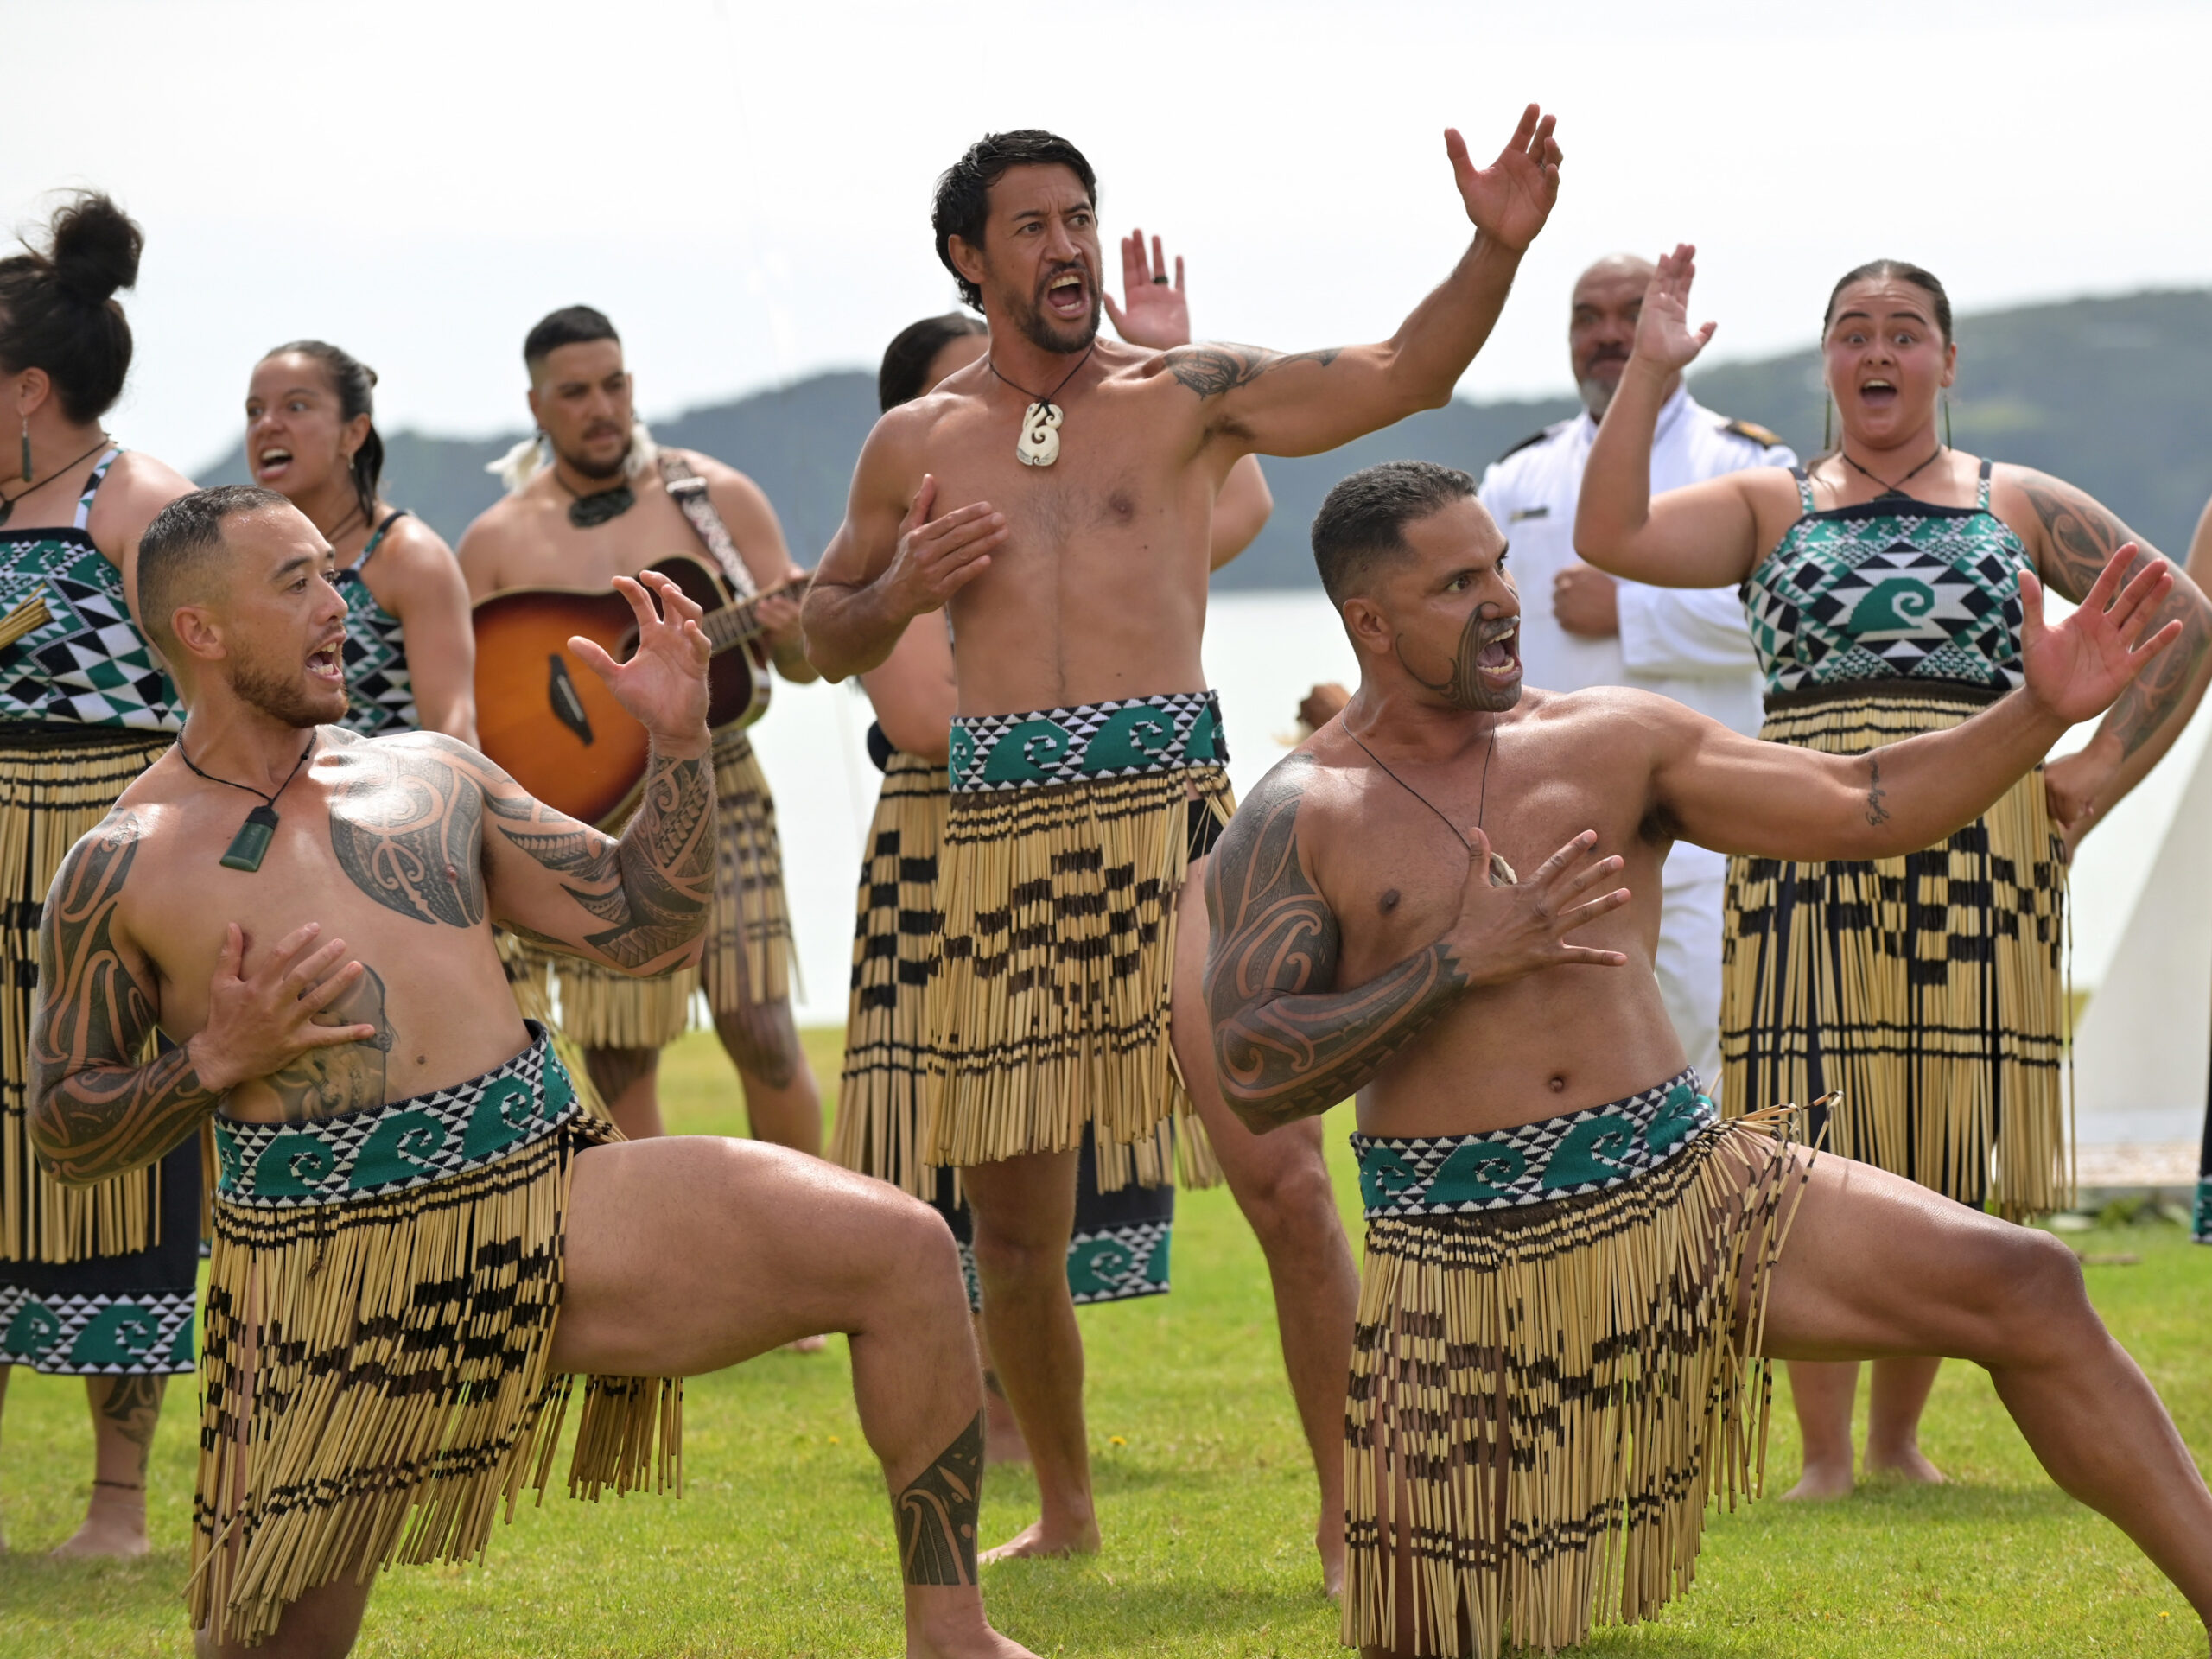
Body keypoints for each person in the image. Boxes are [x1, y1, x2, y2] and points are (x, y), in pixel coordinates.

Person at [1203, 457, 2212, 1656]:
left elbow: (1862, 800)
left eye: (1500, 566)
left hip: (1684, 1191)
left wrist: (2038, 713)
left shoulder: (1611, 739)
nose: (1504, 600)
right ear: (1370, 622)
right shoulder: (1302, 814)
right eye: (1458, 583)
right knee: (1424, 1638)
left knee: (2028, 1282)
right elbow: (1254, 1067)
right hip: (1465, 1260)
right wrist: (1456, 962)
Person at [26, 484, 1036, 1659]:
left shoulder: (434, 777)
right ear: (199, 629)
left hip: (544, 1195)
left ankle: (953, 1635)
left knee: (905, 1251)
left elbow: (649, 928)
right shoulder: (120, 864)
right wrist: (213, 1060)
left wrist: (677, 744)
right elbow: (65, 1127)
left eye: (331, 574)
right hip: (319, 1279)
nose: (339, 605)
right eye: (295, 582)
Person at [804, 109, 1563, 1571]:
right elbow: (822, 634)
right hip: (999, 841)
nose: (1069, 247)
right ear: (969, 259)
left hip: (1178, 834)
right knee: (1012, 1232)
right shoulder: (919, 440)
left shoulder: (1184, 397)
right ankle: (1067, 1512)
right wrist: (897, 589)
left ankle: (1355, 1514)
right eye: (1033, 226)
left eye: (1079, 218)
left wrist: (1493, 247)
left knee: (1284, 1181)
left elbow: (1406, 373)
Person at [1573, 246, 2212, 1499]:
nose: (1878, 351)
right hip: (1802, 830)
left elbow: (2183, 617)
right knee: (1807, 1124)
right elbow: (1613, 534)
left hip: (1983, 841)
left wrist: (2094, 774)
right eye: (1854, 330)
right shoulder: (1770, 504)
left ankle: (1893, 1442)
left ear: (1946, 361)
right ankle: (1822, 1452)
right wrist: (1649, 371)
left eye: (1905, 331)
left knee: (1942, 1119)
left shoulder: (2015, 502)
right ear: (1828, 360)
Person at [834, 258, 1274, 1460]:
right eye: (968, 394)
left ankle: (1030, 1423)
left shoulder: (1083, 517)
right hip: (948, 860)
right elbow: (921, 718)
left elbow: (1232, 510)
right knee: (961, 1161)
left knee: (1050, 1170)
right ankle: (979, 1410)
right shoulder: (905, 561)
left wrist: (1171, 363)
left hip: (1091, 850)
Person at [457, 308, 821, 1156]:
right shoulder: (495, 542)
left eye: (614, 385)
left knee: (762, 1030)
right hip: (587, 810)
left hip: (720, 782)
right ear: (536, 406)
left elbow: (802, 664)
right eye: (575, 393)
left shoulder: (713, 499)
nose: (601, 408)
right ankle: (654, 1236)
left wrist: (791, 630)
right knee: (619, 1056)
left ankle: (809, 1226)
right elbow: (473, 698)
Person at [0, 192, 199, 1560]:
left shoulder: (145, 508)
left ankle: (117, 1505)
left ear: (27, 387)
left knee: (117, 1155)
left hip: (105, 868)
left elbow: (230, 703)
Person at [1476, 252, 1795, 1095]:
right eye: (1588, 317)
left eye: (1628, 313)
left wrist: (1632, 611)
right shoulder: (1517, 476)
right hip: (1552, 831)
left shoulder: (1748, 465)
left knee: (1706, 1046)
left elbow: (1789, 626)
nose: (1608, 334)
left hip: (1702, 825)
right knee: (1558, 1060)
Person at [245, 340, 477, 743]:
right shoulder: (248, 557)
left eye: (295, 406)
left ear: (353, 433)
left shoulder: (408, 557)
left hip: (398, 783)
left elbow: (452, 726)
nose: (267, 424)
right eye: (254, 411)